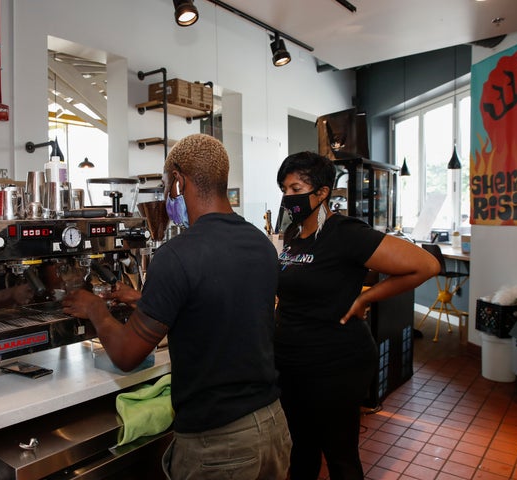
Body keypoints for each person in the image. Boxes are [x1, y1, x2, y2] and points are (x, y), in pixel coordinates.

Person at [62, 133, 292, 480]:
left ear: (179, 181)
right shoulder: (261, 245)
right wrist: (142, 298)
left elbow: (126, 355)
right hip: (273, 426)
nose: (167, 192)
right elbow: (220, 301)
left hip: (219, 445)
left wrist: (96, 308)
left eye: (166, 183)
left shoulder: (177, 255)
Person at [273, 151, 440, 480]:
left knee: (340, 456)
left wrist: (368, 298)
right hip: (292, 363)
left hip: (334, 363)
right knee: (301, 450)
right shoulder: (293, 236)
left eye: (295, 189)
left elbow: (426, 265)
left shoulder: (346, 233)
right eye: (283, 189)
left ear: (322, 193)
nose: (287, 198)